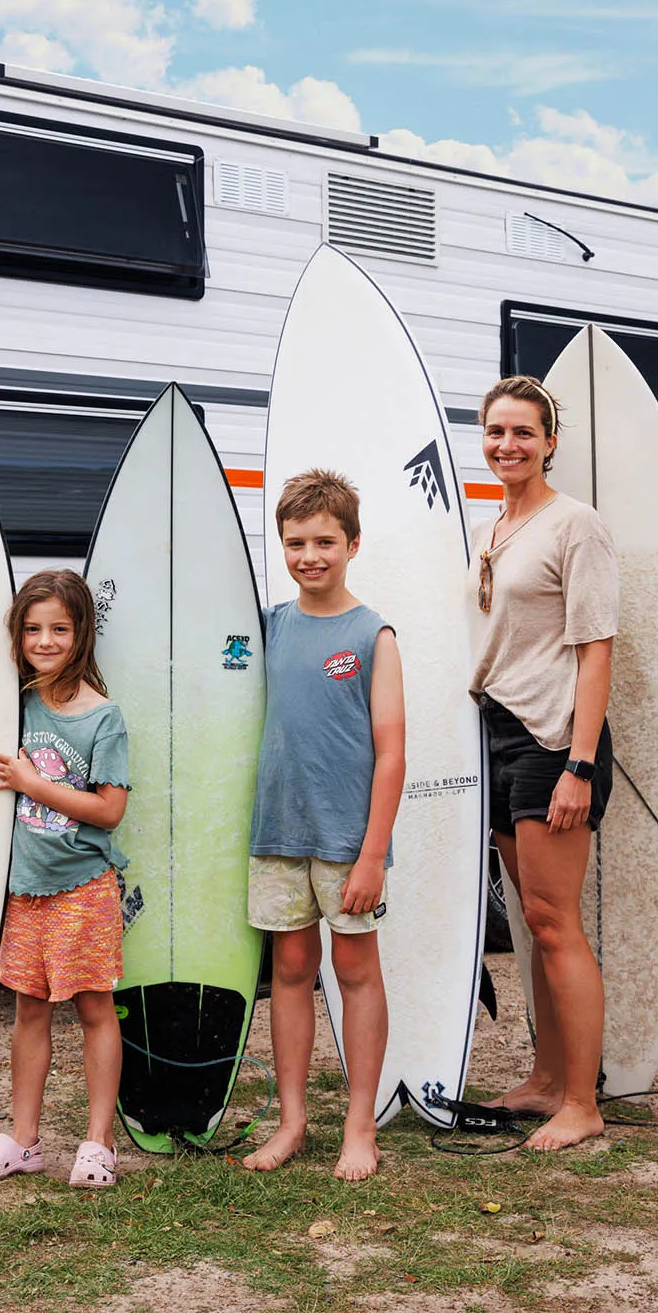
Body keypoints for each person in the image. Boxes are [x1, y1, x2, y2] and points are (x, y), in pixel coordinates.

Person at [466, 375, 619, 1152]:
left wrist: (580, 766)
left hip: (554, 740)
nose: (508, 445)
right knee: (534, 926)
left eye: (524, 432)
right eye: (496, 431)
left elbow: (597, 649)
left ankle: (584, 1102)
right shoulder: (493, 526)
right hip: (495, 733)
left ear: (550, 441)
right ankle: (549, 1078)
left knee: (557, 926)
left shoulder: (575, 524)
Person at [242, 469, 404, 1183]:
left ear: (353, 544)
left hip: (347, 841)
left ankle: (360, 1125)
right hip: (278, 832)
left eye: (325, 541)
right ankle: (294, 1121)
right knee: (290, 972)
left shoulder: (373, 634)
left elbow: (393, 754)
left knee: (355, 971)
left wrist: (372, 855)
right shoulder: (269, 626)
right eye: (296, 542)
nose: (310, 555)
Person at [0, 569, 132, 1188]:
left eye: (59, 628)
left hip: (83, 887)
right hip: (24, 891)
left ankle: (98, 1144)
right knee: (29, 1011)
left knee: (93, 1009)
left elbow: (110, 811)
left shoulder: (102, 717)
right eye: (33, 629)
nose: (46, 640)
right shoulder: (12, 701)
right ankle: (24, 1141)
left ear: (81, 632)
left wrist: (35, 785)